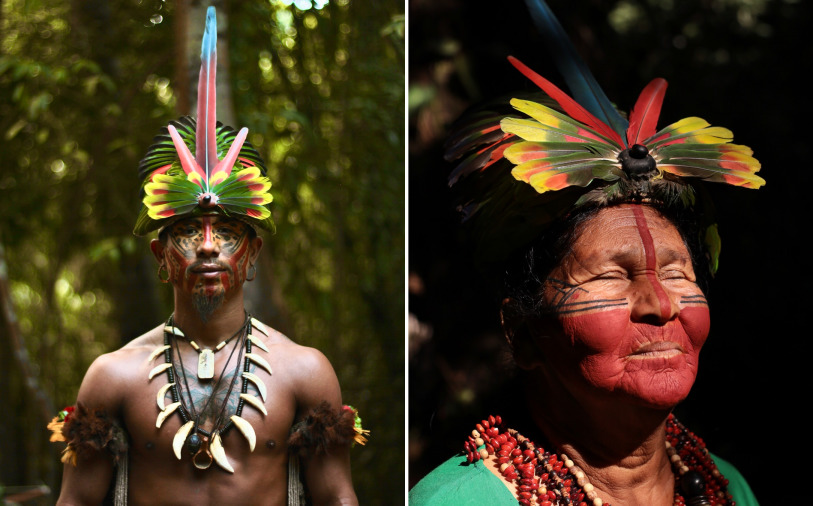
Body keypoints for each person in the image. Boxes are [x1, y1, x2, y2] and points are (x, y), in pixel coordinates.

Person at [409, 1, 763, 504]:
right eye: (610, 278)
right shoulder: (462, 500)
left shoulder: (730, 487)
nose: (661, 305)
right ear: (524, 333)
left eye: (678, 272)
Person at [49, 8, 361, 505]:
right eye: (189, 231)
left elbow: (338, 498)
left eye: (229, 233)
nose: (209, 244)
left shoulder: (304, 371)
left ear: (253, 253)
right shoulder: (113, 376)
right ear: (160, 254)